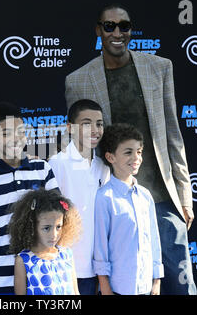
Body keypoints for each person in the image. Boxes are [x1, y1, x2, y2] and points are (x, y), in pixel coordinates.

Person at [65, 3, 196, 295]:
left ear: (130, 30)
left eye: (124, 26)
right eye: (109, 26)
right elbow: (79, 146)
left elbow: (173, 135)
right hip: (113, 201)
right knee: (123, 286)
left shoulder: (159, 68)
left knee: (181, 284)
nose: (117, 32)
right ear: (98, 31)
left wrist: (184, 196)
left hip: (162, 198)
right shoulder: (78, 80)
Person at [0, 102, 59, 295]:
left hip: (38, 280)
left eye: (21, 131)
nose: (16, 139)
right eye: (7, 133)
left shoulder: (42, 169)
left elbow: (59, 221)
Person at [48, 99, 110, 294]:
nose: (95, 130)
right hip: (67, 265)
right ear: (70, 128)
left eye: (99, 124)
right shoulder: (57, 163)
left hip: (99, 268)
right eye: (86, 123)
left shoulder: (104, 166)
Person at [94, 123, 163, 295]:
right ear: (110, 157)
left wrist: (156, 281)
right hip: (119, 288)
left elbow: (154, 241)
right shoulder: (104, 197)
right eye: (128, 152)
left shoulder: (146, 196)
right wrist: (105, 287)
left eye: (139, 152)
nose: (136, 158)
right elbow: (100, 247)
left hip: (147, 287)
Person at [8, 188, 81, 295]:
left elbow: (76, 292)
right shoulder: (23, 260)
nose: (54, 235)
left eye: (58, 227)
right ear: (32, 226)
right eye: (47, 228)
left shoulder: (67, 255)